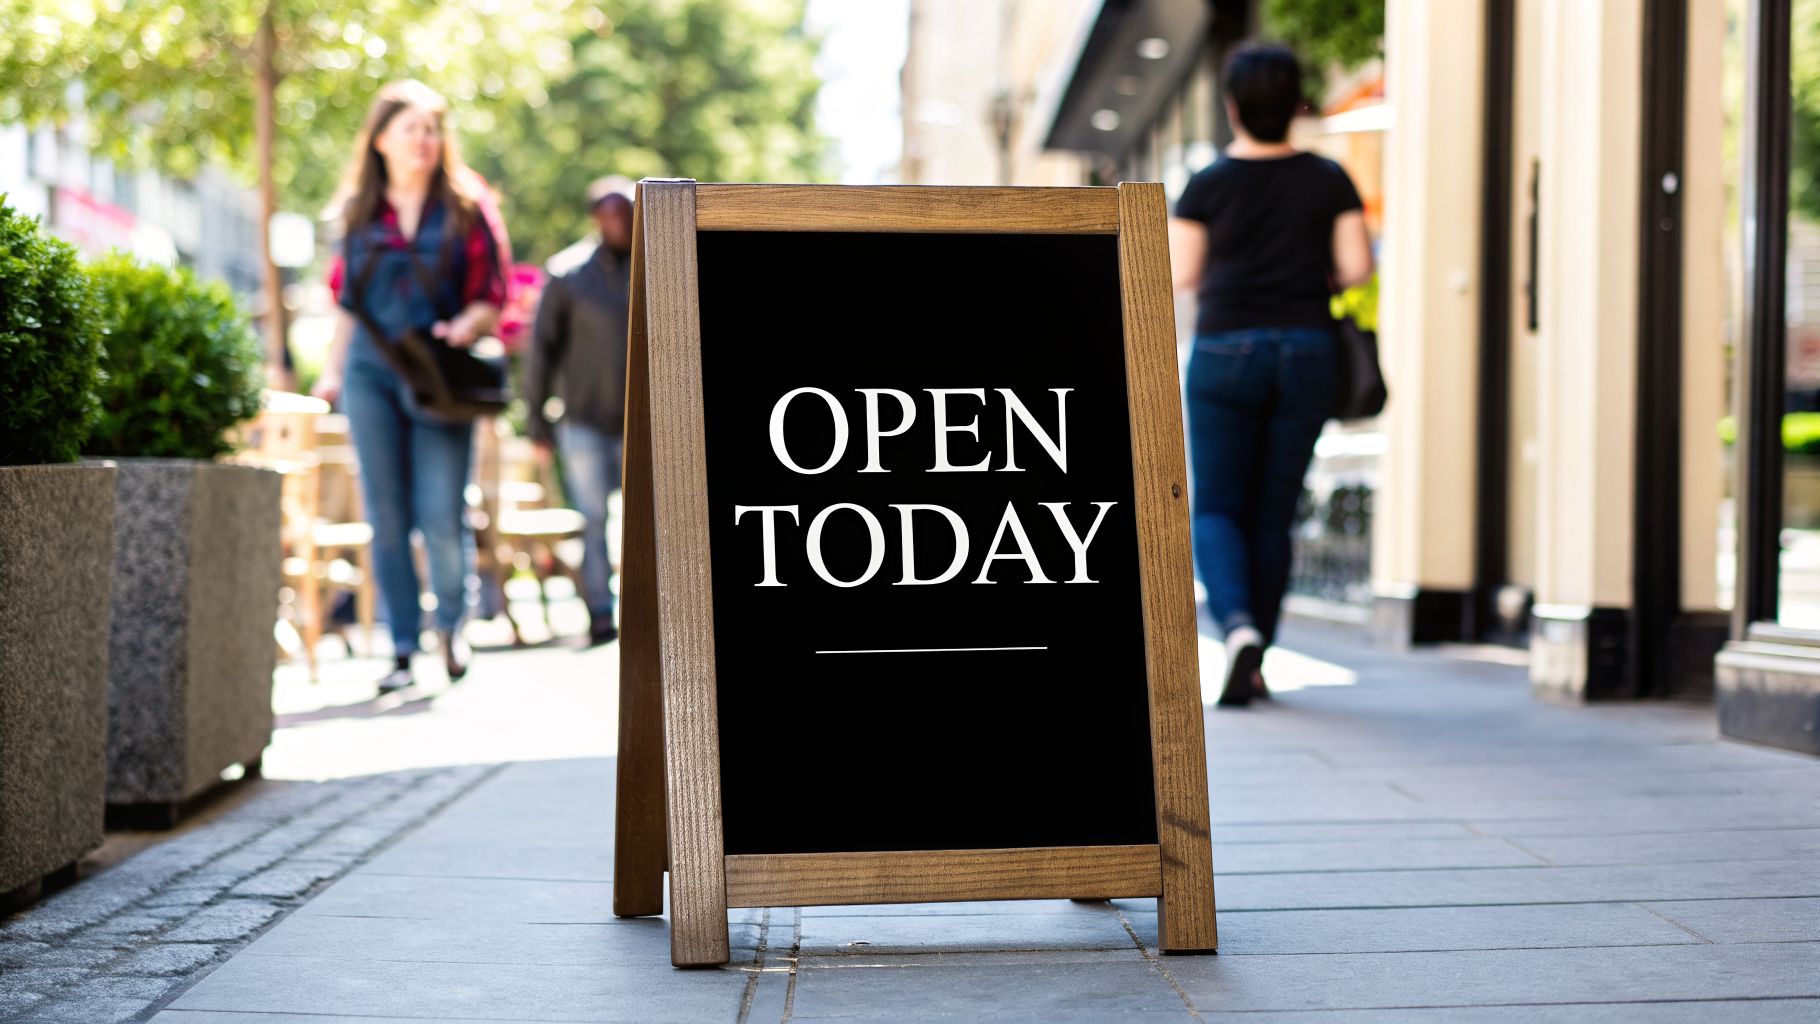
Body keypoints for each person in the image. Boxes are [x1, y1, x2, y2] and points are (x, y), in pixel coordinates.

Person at [1168, 43, 1375, 707]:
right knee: (1273, 512)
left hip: (1225, 350)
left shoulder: (1207, 184)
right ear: (1297, 106)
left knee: (1219, 506)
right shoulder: (1328, 178)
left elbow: (1181, 274)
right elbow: (1356, 269)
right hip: (1307, 352)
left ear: (1231, 107)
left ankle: (1236, 628)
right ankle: (1258, 657)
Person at [313, 80, 510, 694]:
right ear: (380, 141)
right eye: (411, 129)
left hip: (437, 370)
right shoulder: (358, 214)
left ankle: (452, 624)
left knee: (439, 512)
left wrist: (467, 324)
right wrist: (330, 371)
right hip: (371, 369)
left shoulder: (466, 206)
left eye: (432, 129)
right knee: (386, 515)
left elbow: (492, 294)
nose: (424, 140)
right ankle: (401, 646)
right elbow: (346, 302)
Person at [526, 177, 634, 646]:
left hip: (644, 422)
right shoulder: (569, 274)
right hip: (584, 421)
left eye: (628, 212)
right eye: (611, 214)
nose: (622, 223)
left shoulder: (660, 266)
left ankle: (653, 608)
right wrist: (537, 421)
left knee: (649, 519)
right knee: (592, 518)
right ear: (596, 219)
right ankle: (600, 611)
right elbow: (540, 352)